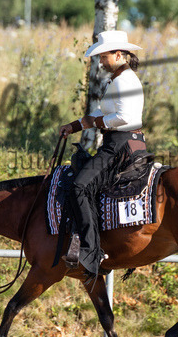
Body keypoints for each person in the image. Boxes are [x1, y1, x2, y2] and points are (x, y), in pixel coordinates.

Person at [59, 30, 148, 278]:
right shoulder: (118, 79)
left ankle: (91, 249)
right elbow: (102, 114)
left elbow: (126, 118)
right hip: (121, 142)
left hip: (120, 146)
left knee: (78, 186)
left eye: (103, 56)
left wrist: (93, 123)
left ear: (118, 54)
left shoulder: (123, 81)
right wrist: (76, 125)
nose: (100, 62)